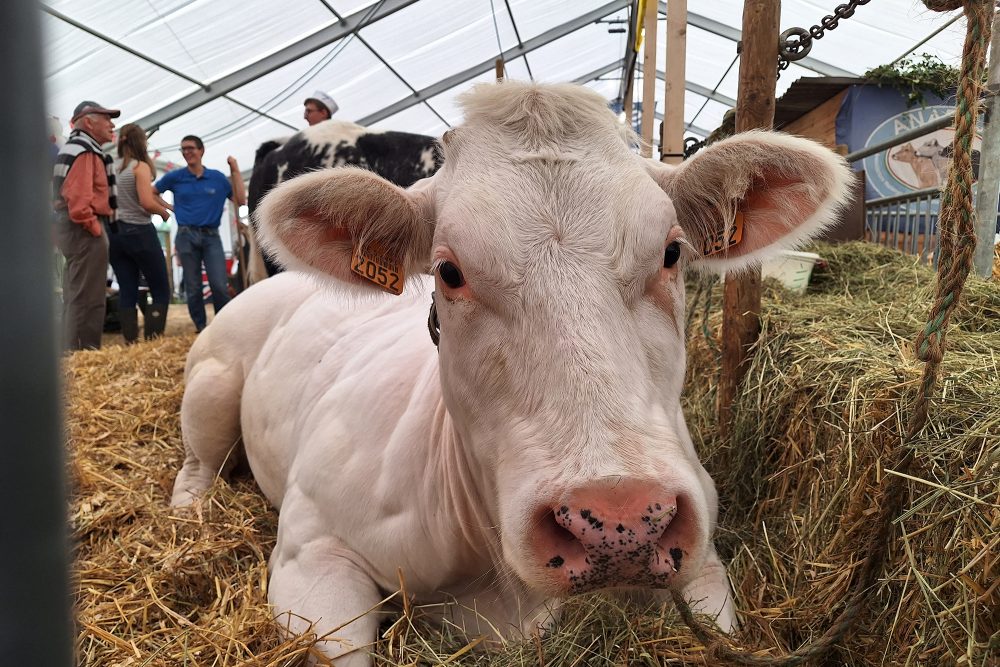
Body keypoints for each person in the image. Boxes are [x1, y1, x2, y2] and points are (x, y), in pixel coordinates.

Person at [154, 135, 246, 332]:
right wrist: (169, 207)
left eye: (191, 148)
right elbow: (153, 191)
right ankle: (201, 327)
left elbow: (240, 199)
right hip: (186, 236)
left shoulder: (218, 178)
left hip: (211, 236)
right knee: (193, 286)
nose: (187, 152)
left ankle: (223, 325)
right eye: (183, 149)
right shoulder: (176, 177)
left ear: (201, 150)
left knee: (219, 284)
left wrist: (236, 170)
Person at [52, 100, 119, 350]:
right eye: (106, 118)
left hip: (72, 228)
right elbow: (79, 203)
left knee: (76, 292)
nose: (111, 124)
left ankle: (73, 348)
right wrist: (94, 228)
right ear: (89, 121)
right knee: (88, 295)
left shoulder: (74, 147)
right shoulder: (86, 150)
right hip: (83, 228)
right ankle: (84, 351)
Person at [110, 124, 174, 344]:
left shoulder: (112, 166)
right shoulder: (140, 167)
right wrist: (163, 213)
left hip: (115, 234)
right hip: (139, 231)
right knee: (160, 288)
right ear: (141, 142)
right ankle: (152, 341)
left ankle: (130, 343)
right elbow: (146, 202)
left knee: (127, 287)